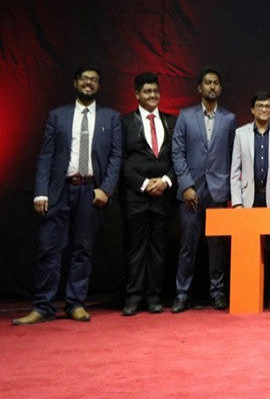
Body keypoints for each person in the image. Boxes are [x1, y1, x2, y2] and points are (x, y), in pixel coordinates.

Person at [13, 66, 122, 325]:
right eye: (84, 79)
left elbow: (116, 156)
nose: (89, 83)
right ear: (75, 83)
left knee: (83, 250)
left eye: (94, 80)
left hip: (91, 191)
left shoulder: (111, 118)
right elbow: (46, 156)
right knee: (50, 248)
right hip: (59, 190)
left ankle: (76, 304)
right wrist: (40, 192)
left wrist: (106, 189)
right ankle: (43, 306)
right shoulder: (57, 116)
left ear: (99, 86)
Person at [171, 67, 236, 313]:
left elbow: (232, 155)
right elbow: (177, 153)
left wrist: (230, 189)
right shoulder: (186, 116)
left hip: (218, 191)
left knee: (217, 247)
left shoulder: (229, 119)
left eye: (216, 83)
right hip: (191, 192)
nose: (212, 87)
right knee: (187, 245)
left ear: (220, 88)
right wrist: (186, 185)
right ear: (199, 87)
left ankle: (217, 292)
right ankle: (182, 293)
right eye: (207, 82)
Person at [119, 72, 177, 316]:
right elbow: (120, 160)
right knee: (136, 248)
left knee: (159, 248)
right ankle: (133, 297)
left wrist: (165, 181)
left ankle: (154, 297)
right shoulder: (124, 123)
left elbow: (179, 157)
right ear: (136, 95)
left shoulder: (171, 121)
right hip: (136, 195)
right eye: (147, 91)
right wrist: (143, 183)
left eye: (155, 91)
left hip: (163, 196)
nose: (152, 95)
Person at [231, 92, 270, 308]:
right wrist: (237, 202)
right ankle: (249, 292)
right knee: (249, 248)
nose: (264, 109)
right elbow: (235, 169)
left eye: (267, 106)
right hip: (249, 199)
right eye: (259, 106)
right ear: (252, 110)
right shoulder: (241, 134)